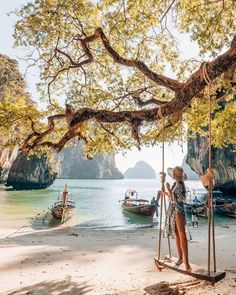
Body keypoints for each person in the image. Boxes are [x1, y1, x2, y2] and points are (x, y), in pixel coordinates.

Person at [161, 166, 191, 272]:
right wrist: (164, 192)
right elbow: (171, 197)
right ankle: (180, 258)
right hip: (173, 210)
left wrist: (168, 189)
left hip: (178, 210)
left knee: (182, 235)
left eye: (175, 174)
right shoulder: (176, 184)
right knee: (177, 235)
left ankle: (186, 262)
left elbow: (175, 199)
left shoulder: (180, 185)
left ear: (176, 175)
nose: (174, 175)